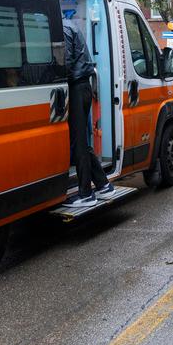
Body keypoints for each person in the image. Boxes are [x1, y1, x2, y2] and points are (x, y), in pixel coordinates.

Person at [62, 17, 115, 207]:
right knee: (81, 141)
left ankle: (85, 193)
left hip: (76, 87)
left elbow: (65, 62)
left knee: (78, 143)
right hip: (82, 86)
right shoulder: (70, 24)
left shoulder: (63, 27)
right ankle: (103, 184)